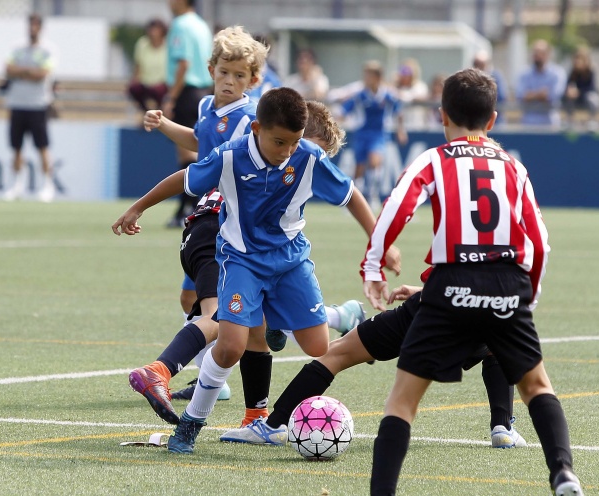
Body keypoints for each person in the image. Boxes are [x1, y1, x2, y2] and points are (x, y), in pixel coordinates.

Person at [111, 87, 400, 455]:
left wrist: (380, 243)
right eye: (280, 142)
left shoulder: (308, 157)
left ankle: (276, 318)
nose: (288, 151)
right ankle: (191, 424)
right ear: (257, 128)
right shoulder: (230, 157)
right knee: (231, 346)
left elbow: (350, 196)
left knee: (318, 346)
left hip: (291, 261)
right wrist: (137, 208)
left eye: (294, 142)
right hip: (241, 261)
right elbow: (184, 179)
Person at [361, 68, 583, 495]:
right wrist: (526, 299)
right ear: (493, 120)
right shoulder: (513, 167)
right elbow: (538, 242)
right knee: (537, 385)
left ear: (442, 116)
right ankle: (563, 473)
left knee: (403, 401)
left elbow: (396, 207)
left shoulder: (434, 159)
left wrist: (373, 269)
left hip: (451, 283)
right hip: (506, 284)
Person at [124, 25, 268, 425]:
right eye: (225, 72)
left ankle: (205, 379)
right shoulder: (207, 107)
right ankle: (173, 372)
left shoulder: (253, 119)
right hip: (214, 222)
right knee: (212, 311)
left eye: (240, 76)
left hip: (216, 219)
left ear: (252, 80)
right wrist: (166, 125)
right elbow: (200, 145)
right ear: (211, 70)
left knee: (205, 308)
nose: (230, 81)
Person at [218, 283, 527, 450]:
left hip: (431, 307)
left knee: (334, 354)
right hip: (487, 309)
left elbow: (454, 270)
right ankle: (502, 427)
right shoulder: (514, 203)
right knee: (497, 344)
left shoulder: (451, 187)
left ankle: (273, 427)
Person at [163, 0, 213, 227]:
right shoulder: (202, 25)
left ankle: (188, 208)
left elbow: (184, 63)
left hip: (186, 91)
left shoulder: (180, 25)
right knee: (197, 151)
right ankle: (188, 207)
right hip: (203, 92)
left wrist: (171, 96)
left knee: (187, 155)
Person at [2, 14, 57, 203]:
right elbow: (8, 68)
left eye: (35, 26)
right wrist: (28, 71)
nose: (32, 29)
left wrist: (22, 71)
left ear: (40, 28)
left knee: (42, 147)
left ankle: (48, 185)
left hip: (37, 104)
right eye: (30, 25)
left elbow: (43, 74)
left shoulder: (47, 49)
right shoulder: (17, 47)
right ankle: (17, 186)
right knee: (16, 147)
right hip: (17, 103)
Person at [338, 60, 407, 209]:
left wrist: (401, 130)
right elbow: (343, 112)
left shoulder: (387, 95)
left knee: (375, 162)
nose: (366, 79)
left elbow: (399, 112)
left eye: (369, 75)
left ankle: (373, 196)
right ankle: (354, 200)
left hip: (378, 134)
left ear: (377, 77)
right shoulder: (359, 95)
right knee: (359, 168)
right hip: (361, 134)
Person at [516, 39, 566, 127]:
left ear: (548, 54)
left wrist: (531, 95)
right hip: (528, 123)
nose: (537, 56)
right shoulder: (524, 74)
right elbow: (520, 95)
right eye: (535, 53)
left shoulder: (557, 73)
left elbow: (553, 95)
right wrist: (540, 94)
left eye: (540, 53)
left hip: (550, 124)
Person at [127, 19, 168, 112]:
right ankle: (147, 112)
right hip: (146, 83)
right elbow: (138, 65)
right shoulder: (142, 44)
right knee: (134, 89)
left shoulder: (168, 46)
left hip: (162, 84)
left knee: (160, 92)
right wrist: (135, 80)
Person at [562, 46, 599, 130]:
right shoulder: (572, 72)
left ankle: (592, 120)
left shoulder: (590, 72)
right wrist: (570, 92)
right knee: (567, 98)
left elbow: (592, 88)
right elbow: (568, 85)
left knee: (593, 99)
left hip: (586, 96)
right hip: (575, 98)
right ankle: (569, 120)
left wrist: (579, 92)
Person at [472, 50, 508, 125]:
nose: (478, 68)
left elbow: (502, 97)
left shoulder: (496, 77)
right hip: (474, 122)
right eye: (476, 64)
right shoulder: (469, 78)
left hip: (496, 122)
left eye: (481, 64)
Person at [394, 58, 429, 130]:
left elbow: (422, 98)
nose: (405, 76)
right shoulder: (395, 87)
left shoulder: (420, 86)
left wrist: (406, 97)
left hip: (416, 126)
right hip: (397, 127)